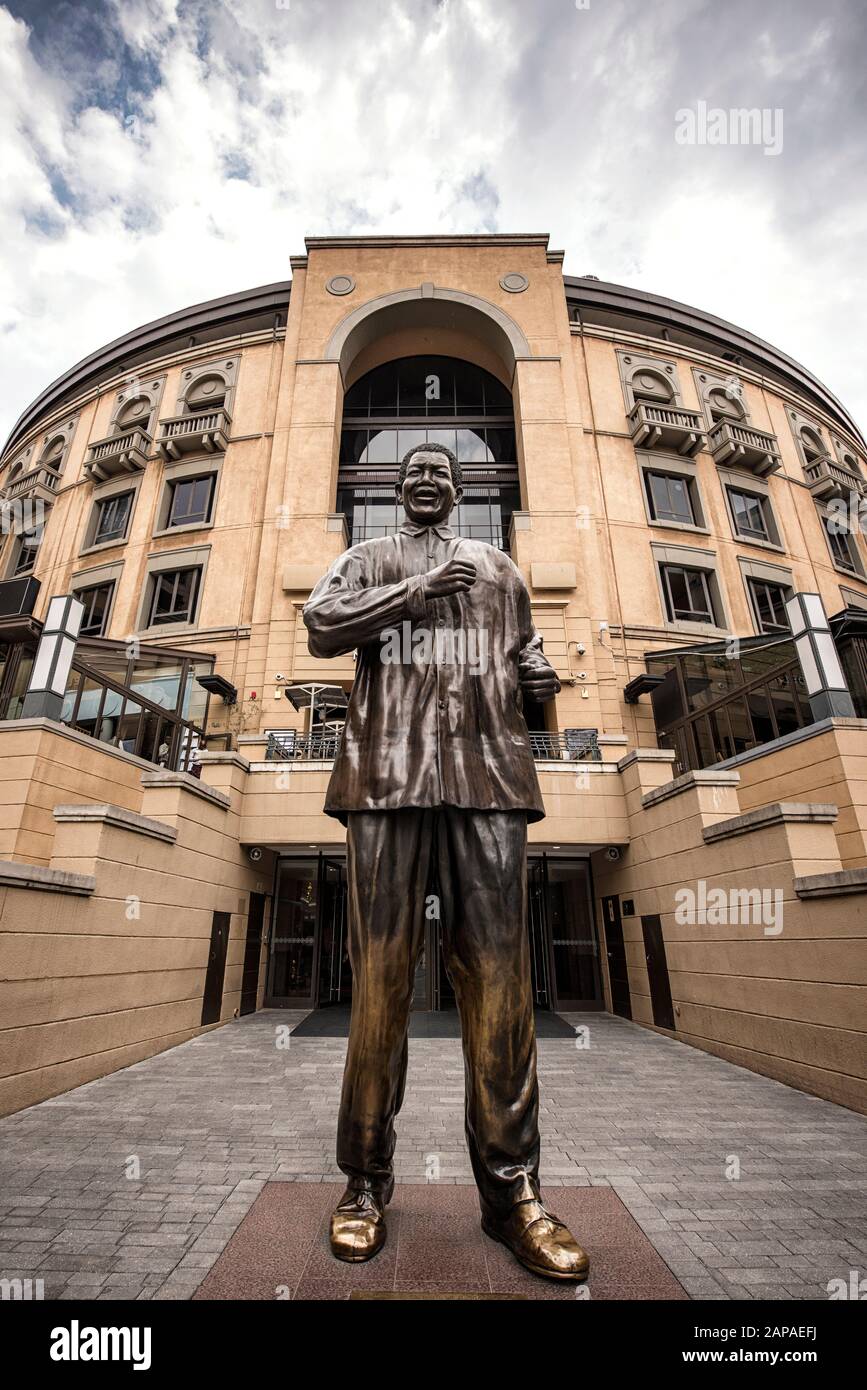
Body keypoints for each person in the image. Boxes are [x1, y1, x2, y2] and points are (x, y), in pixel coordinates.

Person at [303, 442, 589, 1282]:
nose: (426, 480)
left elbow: (525, 657)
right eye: (412, 472)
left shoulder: (500, 569)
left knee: (500, 988)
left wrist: (535, 676)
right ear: (399, 489)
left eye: (441, 473)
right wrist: (412, 596)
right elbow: (321, 628)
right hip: (384, 778)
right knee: (381, 983)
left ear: (460, 491)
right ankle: (362, 1183)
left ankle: (513, 1196)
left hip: (488, 778)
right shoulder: (367, 559)